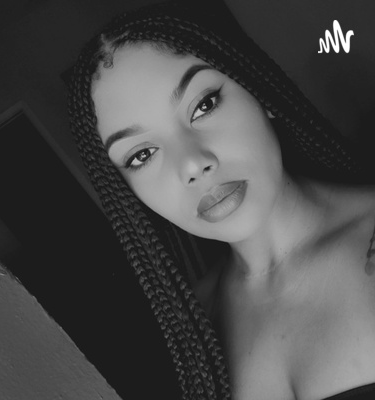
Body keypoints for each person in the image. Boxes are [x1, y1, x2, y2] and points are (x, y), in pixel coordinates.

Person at [67, 1, 375, 399]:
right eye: (142, 155)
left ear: (257, 91)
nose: (193, 164)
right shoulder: (195, 326)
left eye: (203, 105)